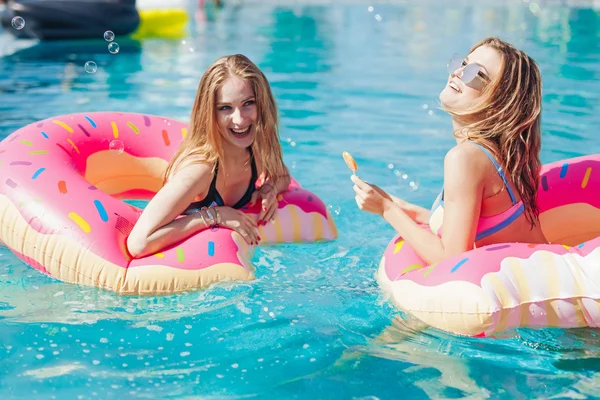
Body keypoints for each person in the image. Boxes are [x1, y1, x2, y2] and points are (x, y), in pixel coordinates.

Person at [351, 37, 547, 265]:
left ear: (499, 102)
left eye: (476, 73)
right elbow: (462, 223)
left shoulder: (465, 158)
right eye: (463, 64)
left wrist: (387, 210)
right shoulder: (497, 153)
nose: (458, 73)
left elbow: (451, 260)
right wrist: (393, 202)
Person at [127, 54, 290, 258]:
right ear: (209, 113)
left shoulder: (256, 149)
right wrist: (216, 215)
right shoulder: (199, 171)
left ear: (262, 104)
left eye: (248, 103)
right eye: (225, 108)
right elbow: (139, 243)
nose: (239, 119)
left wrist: (270, 189)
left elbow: (283, 175)